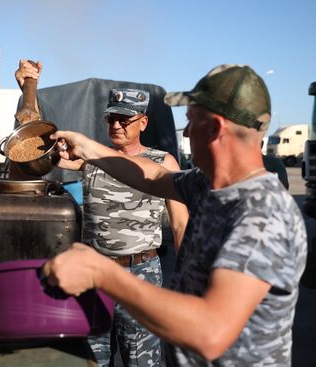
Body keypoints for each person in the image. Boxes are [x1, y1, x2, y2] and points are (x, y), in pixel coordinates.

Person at [43, 64, 307, 365]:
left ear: (215, 129)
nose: (186, 131)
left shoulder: (263, 213)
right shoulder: (208, 183)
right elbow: (152, 177)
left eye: (190, 121)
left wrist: (102, 273)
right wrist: (89, 148)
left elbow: (211, 332)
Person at [15, 59, 189, 366]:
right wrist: (29, 89)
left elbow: (179, 223)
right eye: (111, 119)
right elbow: (38, 151)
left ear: (143, 123)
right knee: (92, 359)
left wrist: (189, 281)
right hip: (94, 275)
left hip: (142, 274)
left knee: (142, 361)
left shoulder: (163, 162)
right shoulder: (90, 158)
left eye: (125, 120)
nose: (116, 126)